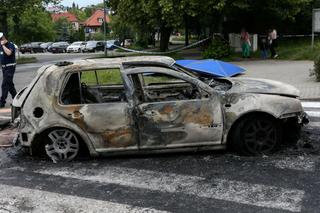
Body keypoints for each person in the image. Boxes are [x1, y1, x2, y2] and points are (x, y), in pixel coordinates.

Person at [0, 32, 17, 108]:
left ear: (3, 38)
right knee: (10, 85)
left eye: (0, 39)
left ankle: (2, 102)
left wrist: (3, 45)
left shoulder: (10, 45)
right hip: (4, 68)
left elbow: (9, 53)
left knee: (4, 84)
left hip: (10, 67)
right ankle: (17, 99)